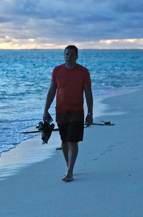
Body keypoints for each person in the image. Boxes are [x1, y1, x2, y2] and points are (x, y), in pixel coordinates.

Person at [43, 45, 93, 182]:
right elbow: (52, 91)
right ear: (64, 56)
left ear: (77, 56)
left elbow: (88, 93)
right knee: (64, 140)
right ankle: (69, 167)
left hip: (77, 111)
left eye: (72, 54)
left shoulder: (83, 72)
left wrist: (90, 113)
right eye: (67, 54)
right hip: (60, 111)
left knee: (72, 140)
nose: (69, 57)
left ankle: (70, 171)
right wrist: (46, 110)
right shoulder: (57, 70)